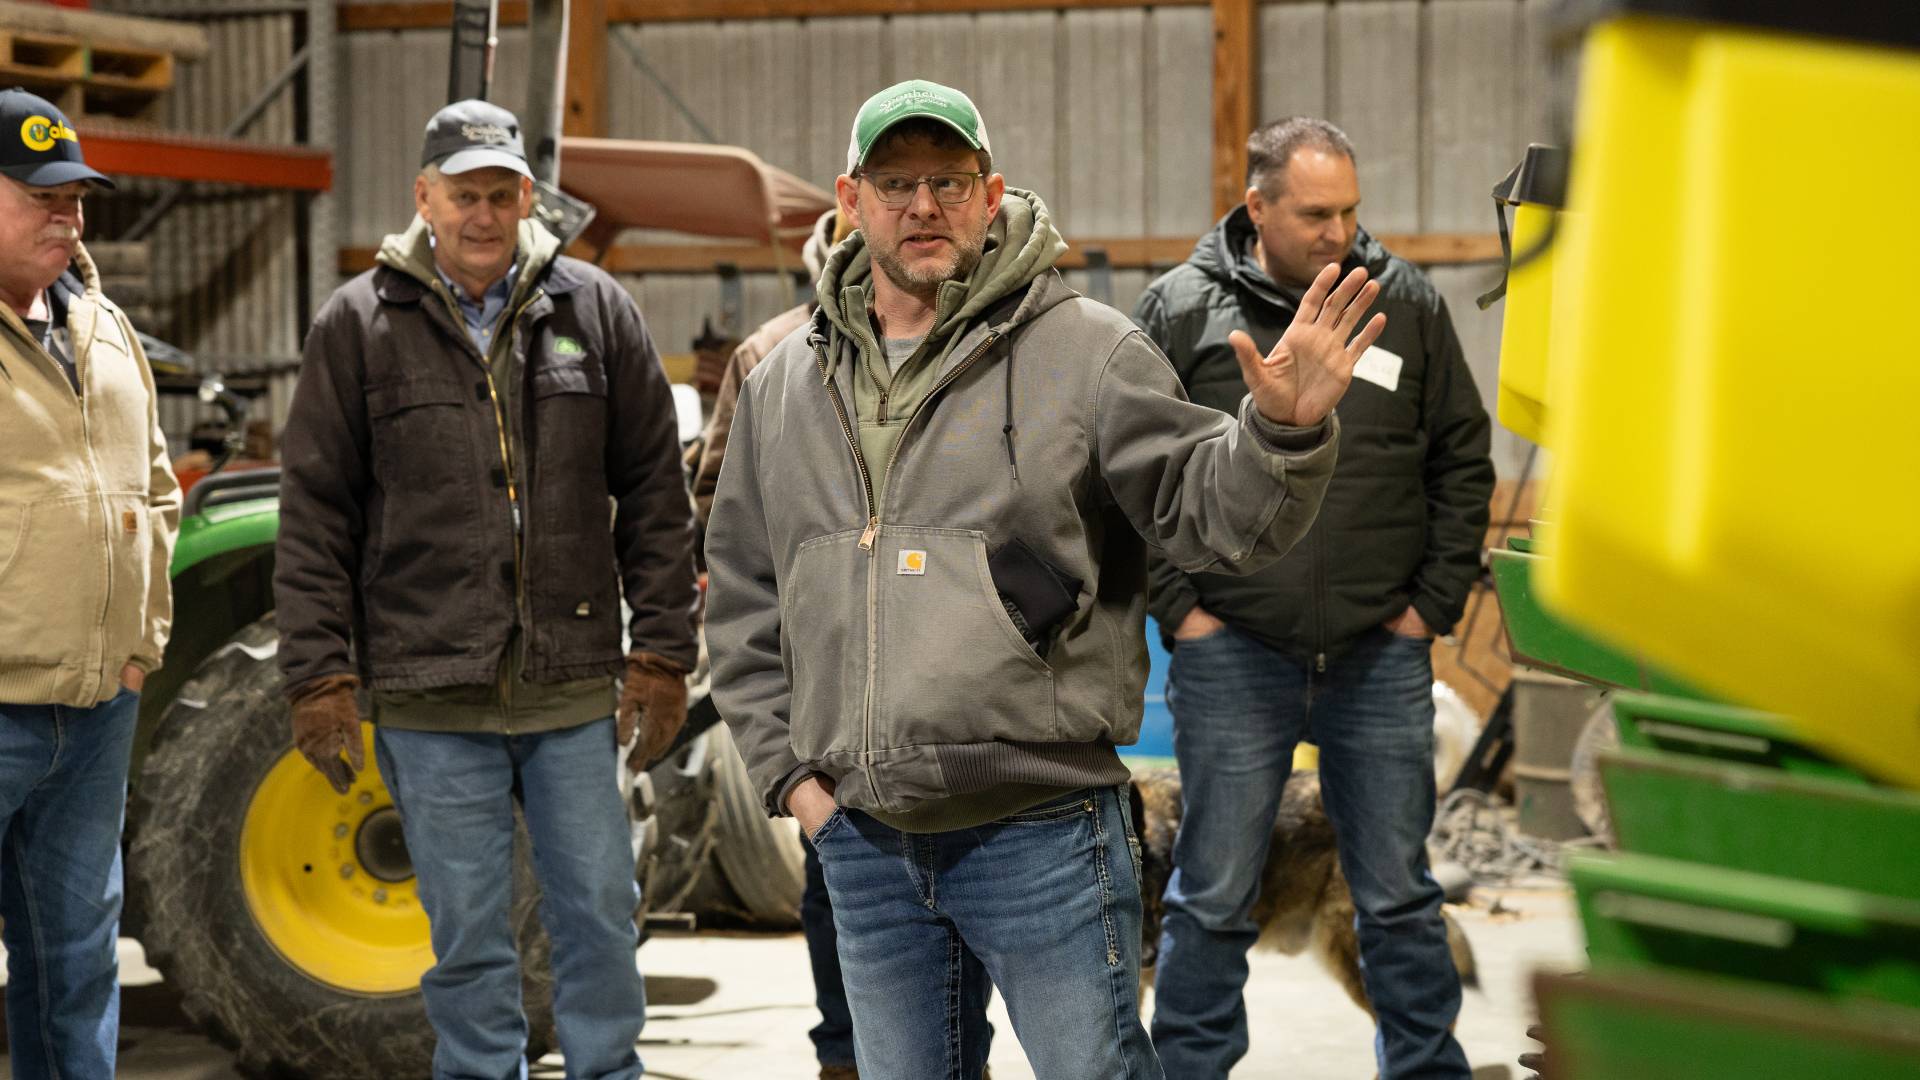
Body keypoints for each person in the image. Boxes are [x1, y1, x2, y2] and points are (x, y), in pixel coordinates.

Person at [705, 80, 1383, 1080]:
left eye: (950, 180)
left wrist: (1279, 432)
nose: (924, 206)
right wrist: (799, 786)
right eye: (897, 182)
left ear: (992, 193)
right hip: (864, 839)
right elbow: (744, 595)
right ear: (850, 202)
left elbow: (1212, 515)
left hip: (1042, 833)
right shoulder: (780, 387)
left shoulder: (1087, 352)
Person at [274, 99, 698, 1079]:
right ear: (423, 197)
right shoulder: (358, 327)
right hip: (431, 693)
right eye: (463, 194)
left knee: (597, 910)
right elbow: (316, 518)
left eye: (500, 194)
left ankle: (609, 1070)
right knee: (467, 934)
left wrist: (664, 652)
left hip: (570, 687)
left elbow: (655, 496)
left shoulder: (593, 312)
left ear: (525, 198)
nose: (482, 215)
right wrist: (318, 678)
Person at [1134, 116, 1493, 1080]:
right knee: (1209, 896)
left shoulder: (1405, 302)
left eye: (1350, 212)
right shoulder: (1181, 310)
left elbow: (1462, 457)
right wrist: (1186, 613)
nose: (1339, 232)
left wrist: (1430, 608)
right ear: (1257, 207)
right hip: (1233, 652)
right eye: (1315, 213)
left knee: (1398, 896)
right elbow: (1135, 473)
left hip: (1380, 651)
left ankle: (1424, 1069)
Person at [690, 208, 995, 1080]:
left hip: (944, 686)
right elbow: (721, 512)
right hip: (824, 688)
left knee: (958, 896)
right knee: (839, 888)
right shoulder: (772, 356)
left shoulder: (969, 339)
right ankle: (841, 1054)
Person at [0, 87, 179, 1079]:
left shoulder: (102, 326)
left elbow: (154, 487)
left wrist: (141, 647)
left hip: (96, 707)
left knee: (74, 964)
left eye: (76, 198)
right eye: (39, 197)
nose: (66, 216)